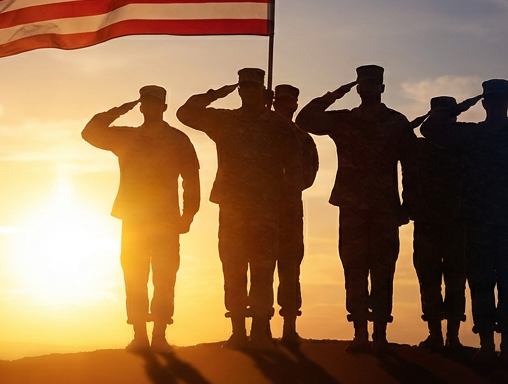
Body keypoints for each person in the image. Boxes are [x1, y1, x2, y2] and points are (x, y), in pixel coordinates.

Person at [422, 79, 508, 362]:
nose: (494, 105)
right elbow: (430, 130)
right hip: (475, 223)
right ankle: (486, 344)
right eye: (489, 100)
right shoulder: (471, 134)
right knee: (480, 284)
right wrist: (457, 108)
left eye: (499, 100)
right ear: (484, 103)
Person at [177, 68, 302, 349]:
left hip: (266, 209)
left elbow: (294, 170)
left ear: (262, 91)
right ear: (240, 90)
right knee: (233, 267)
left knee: (262, 269)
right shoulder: (225, 120)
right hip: (233, 207)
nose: (248, 92)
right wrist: (217, 93)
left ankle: (260, 329)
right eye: (243, 87)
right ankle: (237, 330)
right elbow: (185, 113)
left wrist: (284, 205)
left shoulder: (279, 126)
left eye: (253, 87)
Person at [296, 65, 416, 354]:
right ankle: (360, 332)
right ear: (358, 88)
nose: (369, 89)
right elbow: (304, 120)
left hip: (385, 208)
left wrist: (408, 205)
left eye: (374, 84)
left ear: (382, 88)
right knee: (354, 269)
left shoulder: (396, 122)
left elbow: (412, 166)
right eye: (364, 84)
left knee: (383, 270)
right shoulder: (344, 120)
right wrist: (333, 95)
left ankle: (380, 334)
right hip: (352, 207)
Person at [83, 85, 201, 354]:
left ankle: (159, 335)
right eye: (145, 103)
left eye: (155, 103)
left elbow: (191, 178)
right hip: (134, 219)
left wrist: (188, 214)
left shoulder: (177, 140)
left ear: (164, 107)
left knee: (164, 277)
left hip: (166, 220)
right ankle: (139, 335)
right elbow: (89, 132)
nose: (150, 107)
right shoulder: (127, 137)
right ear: (141, 106)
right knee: (134, 275)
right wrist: (121, 109)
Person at [408, 97, 468, 351]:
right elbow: (408, 133)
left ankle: (450, 337)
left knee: (453, 280)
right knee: (431, 279)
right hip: (430, 222)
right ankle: (437, 335)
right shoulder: (420, 145)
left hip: (454, 222)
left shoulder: (463, 143)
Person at [271, 84, 319, 346]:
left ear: (295, 105)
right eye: (280, 102)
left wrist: (287, 185)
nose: (284, 106)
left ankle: (289, 325)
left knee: (290, 268)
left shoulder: (303, 138)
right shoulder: (262, 131)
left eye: (289, 102)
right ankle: (259, 326)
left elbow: (309, 175)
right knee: (259, 268)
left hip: (289, 209)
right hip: (260, 208)